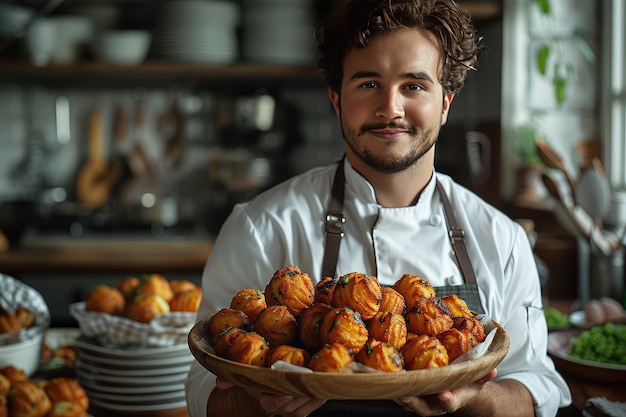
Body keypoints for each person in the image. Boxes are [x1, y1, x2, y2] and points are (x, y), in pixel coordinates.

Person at [185, 0, 572, 416]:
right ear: (336, 99)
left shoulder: (501, 239)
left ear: (445, 103)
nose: (390, 107)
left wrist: (474, 399)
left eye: (414, 85)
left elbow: (536, 390)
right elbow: (204, 392)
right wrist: (256, 399)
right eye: (369, 84)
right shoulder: (262, 227)